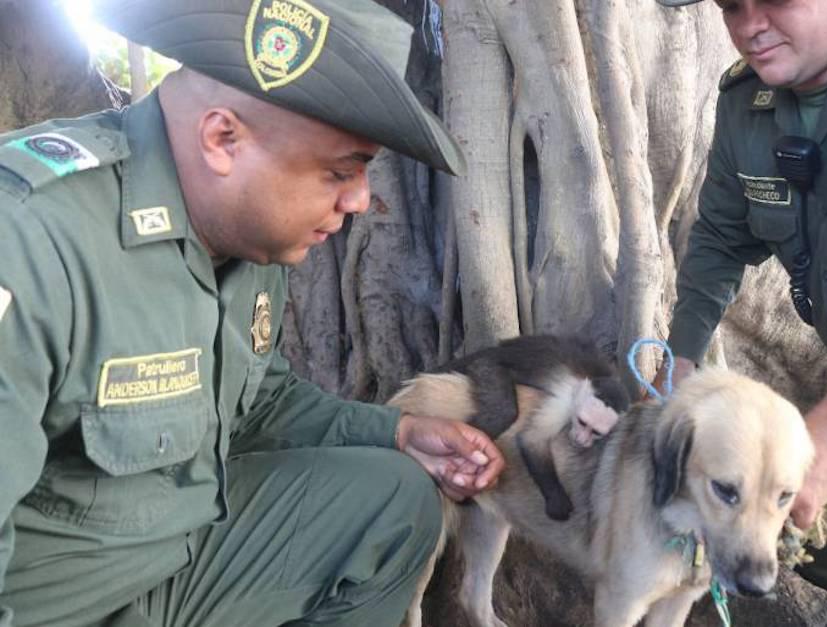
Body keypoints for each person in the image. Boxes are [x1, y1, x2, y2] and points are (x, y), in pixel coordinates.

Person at [0, 1, 506, 626]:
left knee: (395, 501)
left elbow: (254, 399)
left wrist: (397, 432)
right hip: (51, 606)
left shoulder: (246, 240)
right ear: (223, 139)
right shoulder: (29, 241)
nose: (360, 200)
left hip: (175, 566)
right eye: (339, 172)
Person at [652, 0, 827, 623]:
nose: (750, 24)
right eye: (731, 6)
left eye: (776, 0)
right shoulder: (748, 101)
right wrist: (677, 363)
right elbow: (721, 240)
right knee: (818, 546)